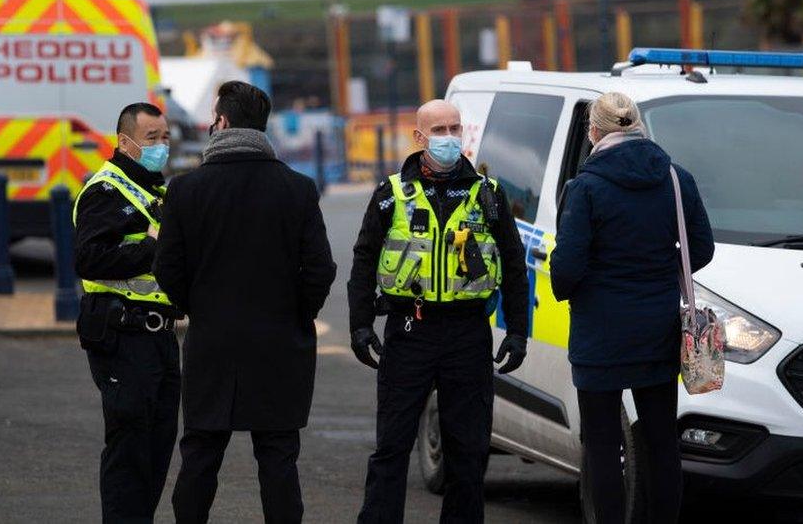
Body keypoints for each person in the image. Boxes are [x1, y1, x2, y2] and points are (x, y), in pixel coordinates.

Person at [154, 81, 337, 524]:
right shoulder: (297, 188)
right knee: (278, 460)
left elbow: (167, 269)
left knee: (200, 453)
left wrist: (199, 307)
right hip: (280, 346)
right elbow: (320, 269)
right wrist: (296, 315)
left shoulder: (186, 190)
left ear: (223, 122)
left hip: (212, 342)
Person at [347, 99, 530, 523]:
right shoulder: (391, 193)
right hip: (410, 331)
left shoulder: (488, 193)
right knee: (391, 447)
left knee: (468, 452)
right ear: (419, 137)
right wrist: (359, 325)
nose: (449, 137)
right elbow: (363, 260)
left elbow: (513, 263)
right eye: (439, 130)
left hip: (467, 334)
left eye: (454, 128)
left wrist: (518, 330)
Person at [550, 92, 714, 524]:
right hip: (659, 329)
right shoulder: (677, 179)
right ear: (637, 126)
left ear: (595, 132)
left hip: (599, 334)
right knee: (662, 442)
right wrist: (658, 272)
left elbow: (566, 270)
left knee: (603, 444)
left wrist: (580, 285)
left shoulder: (584, 188)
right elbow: (702, 249)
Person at [74, 102, 181, 523]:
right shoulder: (105, 191)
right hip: (122, 334)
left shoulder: (157, 190)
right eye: (151, 138)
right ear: (125, 142)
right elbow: (90, 259)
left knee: (157, 449)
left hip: (161, 337)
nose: (160, 146)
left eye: (165, 137)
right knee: (129, 451)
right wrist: (152, 246)